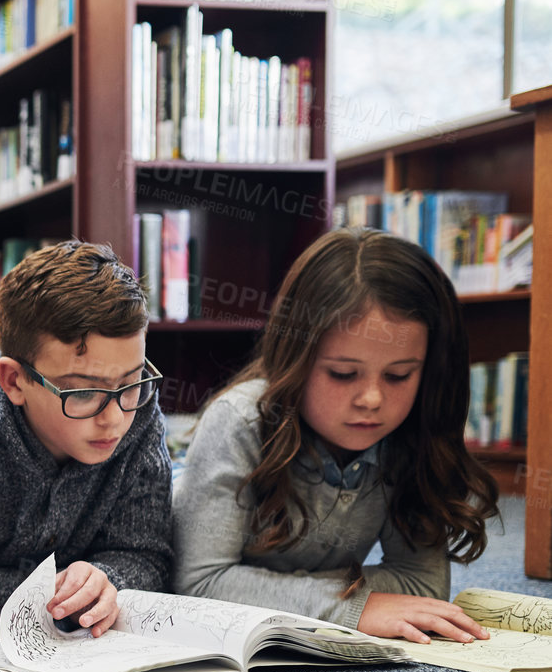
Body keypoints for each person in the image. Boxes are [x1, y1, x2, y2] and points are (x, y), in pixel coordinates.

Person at [173, 227, 499, 643]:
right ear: (296, 358)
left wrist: (275, 591)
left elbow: (424, 587)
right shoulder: (237, 421)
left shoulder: (410, 434)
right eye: (343, 373)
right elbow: (199, 585)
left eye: (399, 375)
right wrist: (350, 606)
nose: (372, 399)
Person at [0, 240, 172, 634]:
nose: (115, 418)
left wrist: (103, 577)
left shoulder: (140, 412)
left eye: (132, 381)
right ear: (15, 381)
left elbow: (148, 556)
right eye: (84, 392)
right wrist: (56, 591)